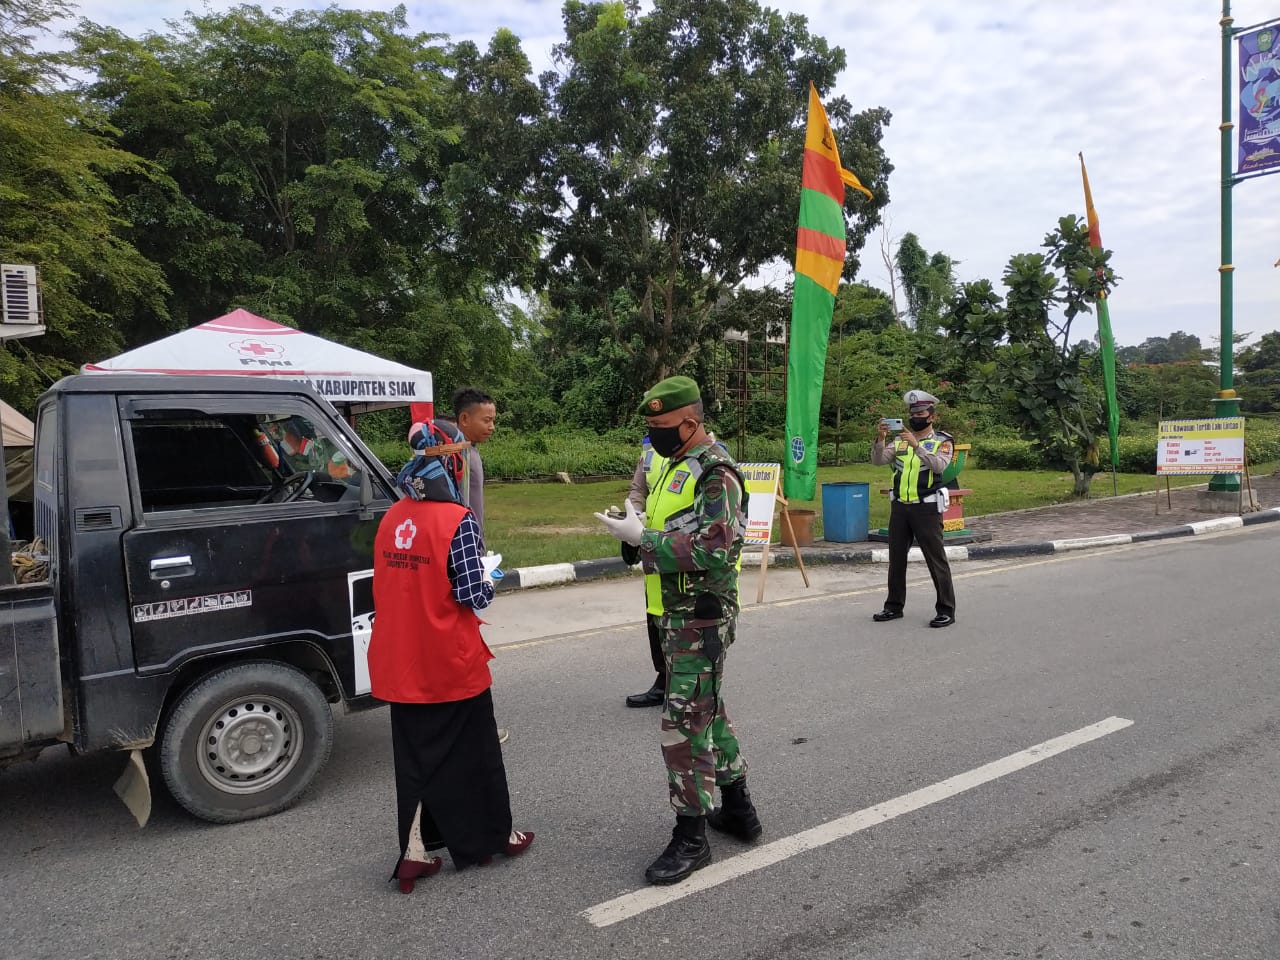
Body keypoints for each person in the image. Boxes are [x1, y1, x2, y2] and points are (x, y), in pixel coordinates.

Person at [595, 375, 762, 886]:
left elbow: (715, 547)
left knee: (682, 725)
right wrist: (636, 527)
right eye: (649, 427)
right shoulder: (673, 465)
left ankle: (691, 837)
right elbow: (672, 526)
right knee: (706, 712)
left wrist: (643, 540)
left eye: (662, 426)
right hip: (676, 612)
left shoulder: (719, 474)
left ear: (691, 422)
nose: (654, 435)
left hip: (702, 615)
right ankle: (737, 809)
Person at [367, 421, 533, 894]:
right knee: (475, 754)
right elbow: (470, 593)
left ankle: (414, 854)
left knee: (416, 760)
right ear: (450, 459)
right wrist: (491, 574)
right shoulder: (457, 520)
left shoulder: (392, 516)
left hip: (401, 660)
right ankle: (491, 837)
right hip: (448, 660)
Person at [443, 387, 509, 744]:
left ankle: (465, 726)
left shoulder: (465, 452)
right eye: (487, 419)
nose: (492, 426)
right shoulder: (453, 456)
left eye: (494, 419)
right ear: (464, 419)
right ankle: (473, 730)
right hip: (461, 560)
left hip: (470, 554)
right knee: (464, 653)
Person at [870, 389, 957, 628]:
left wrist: (917, 446)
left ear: (932, 416)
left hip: (926, 509)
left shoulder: (942, 441)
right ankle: (893, 606)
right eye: (913, 413)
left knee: (936, 560)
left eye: (921, 412)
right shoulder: (899, 440)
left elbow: (939, 466)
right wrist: (880, 439)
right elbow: (878, 461)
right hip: (900, 508)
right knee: (896, 560)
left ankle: (946, 609)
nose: (916, 416)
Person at [622, 437, 666, 708]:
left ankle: (685, 686)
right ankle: (663, 680)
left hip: (683, 551)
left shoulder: (703, 455)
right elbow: (638, 490)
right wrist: (632, 517)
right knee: (654, 617)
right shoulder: (650, 450)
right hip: (651, 546)